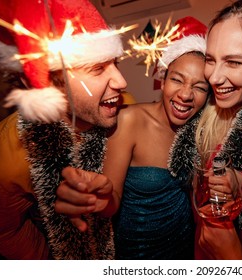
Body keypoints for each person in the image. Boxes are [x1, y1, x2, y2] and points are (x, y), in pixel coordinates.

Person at [55, 16, 210, 259]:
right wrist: (101, 200)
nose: (185, 94)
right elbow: (112, 199)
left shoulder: (201, 130)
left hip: (186, 250)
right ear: (163, 79)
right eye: (177, 79)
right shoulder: (129, 120)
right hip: (139, 255)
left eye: (200, 87)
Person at [0, 0, 127, 259]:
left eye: (115, 63)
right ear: (52, 84)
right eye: (97, 68)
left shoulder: (125, 109)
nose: (121, 81)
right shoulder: (1, 159)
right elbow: (4, 231)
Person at [168, 0, 242, 259]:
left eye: (233, 62)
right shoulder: (205, 112)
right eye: (210, 60)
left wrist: (241, 183)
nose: (214, 77)